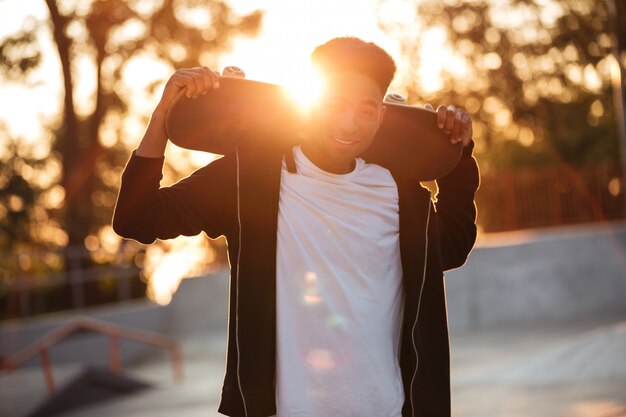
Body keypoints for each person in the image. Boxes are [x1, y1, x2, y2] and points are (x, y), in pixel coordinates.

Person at [113, 37, 479, 417]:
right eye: (335, 104)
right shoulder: (250, 180)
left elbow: (451, 246)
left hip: (386, 408)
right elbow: (137, 218)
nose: (348, 123)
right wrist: (161, 116)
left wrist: (459, 153)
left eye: (366, 111)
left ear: (382, 116)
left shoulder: (401, 195)